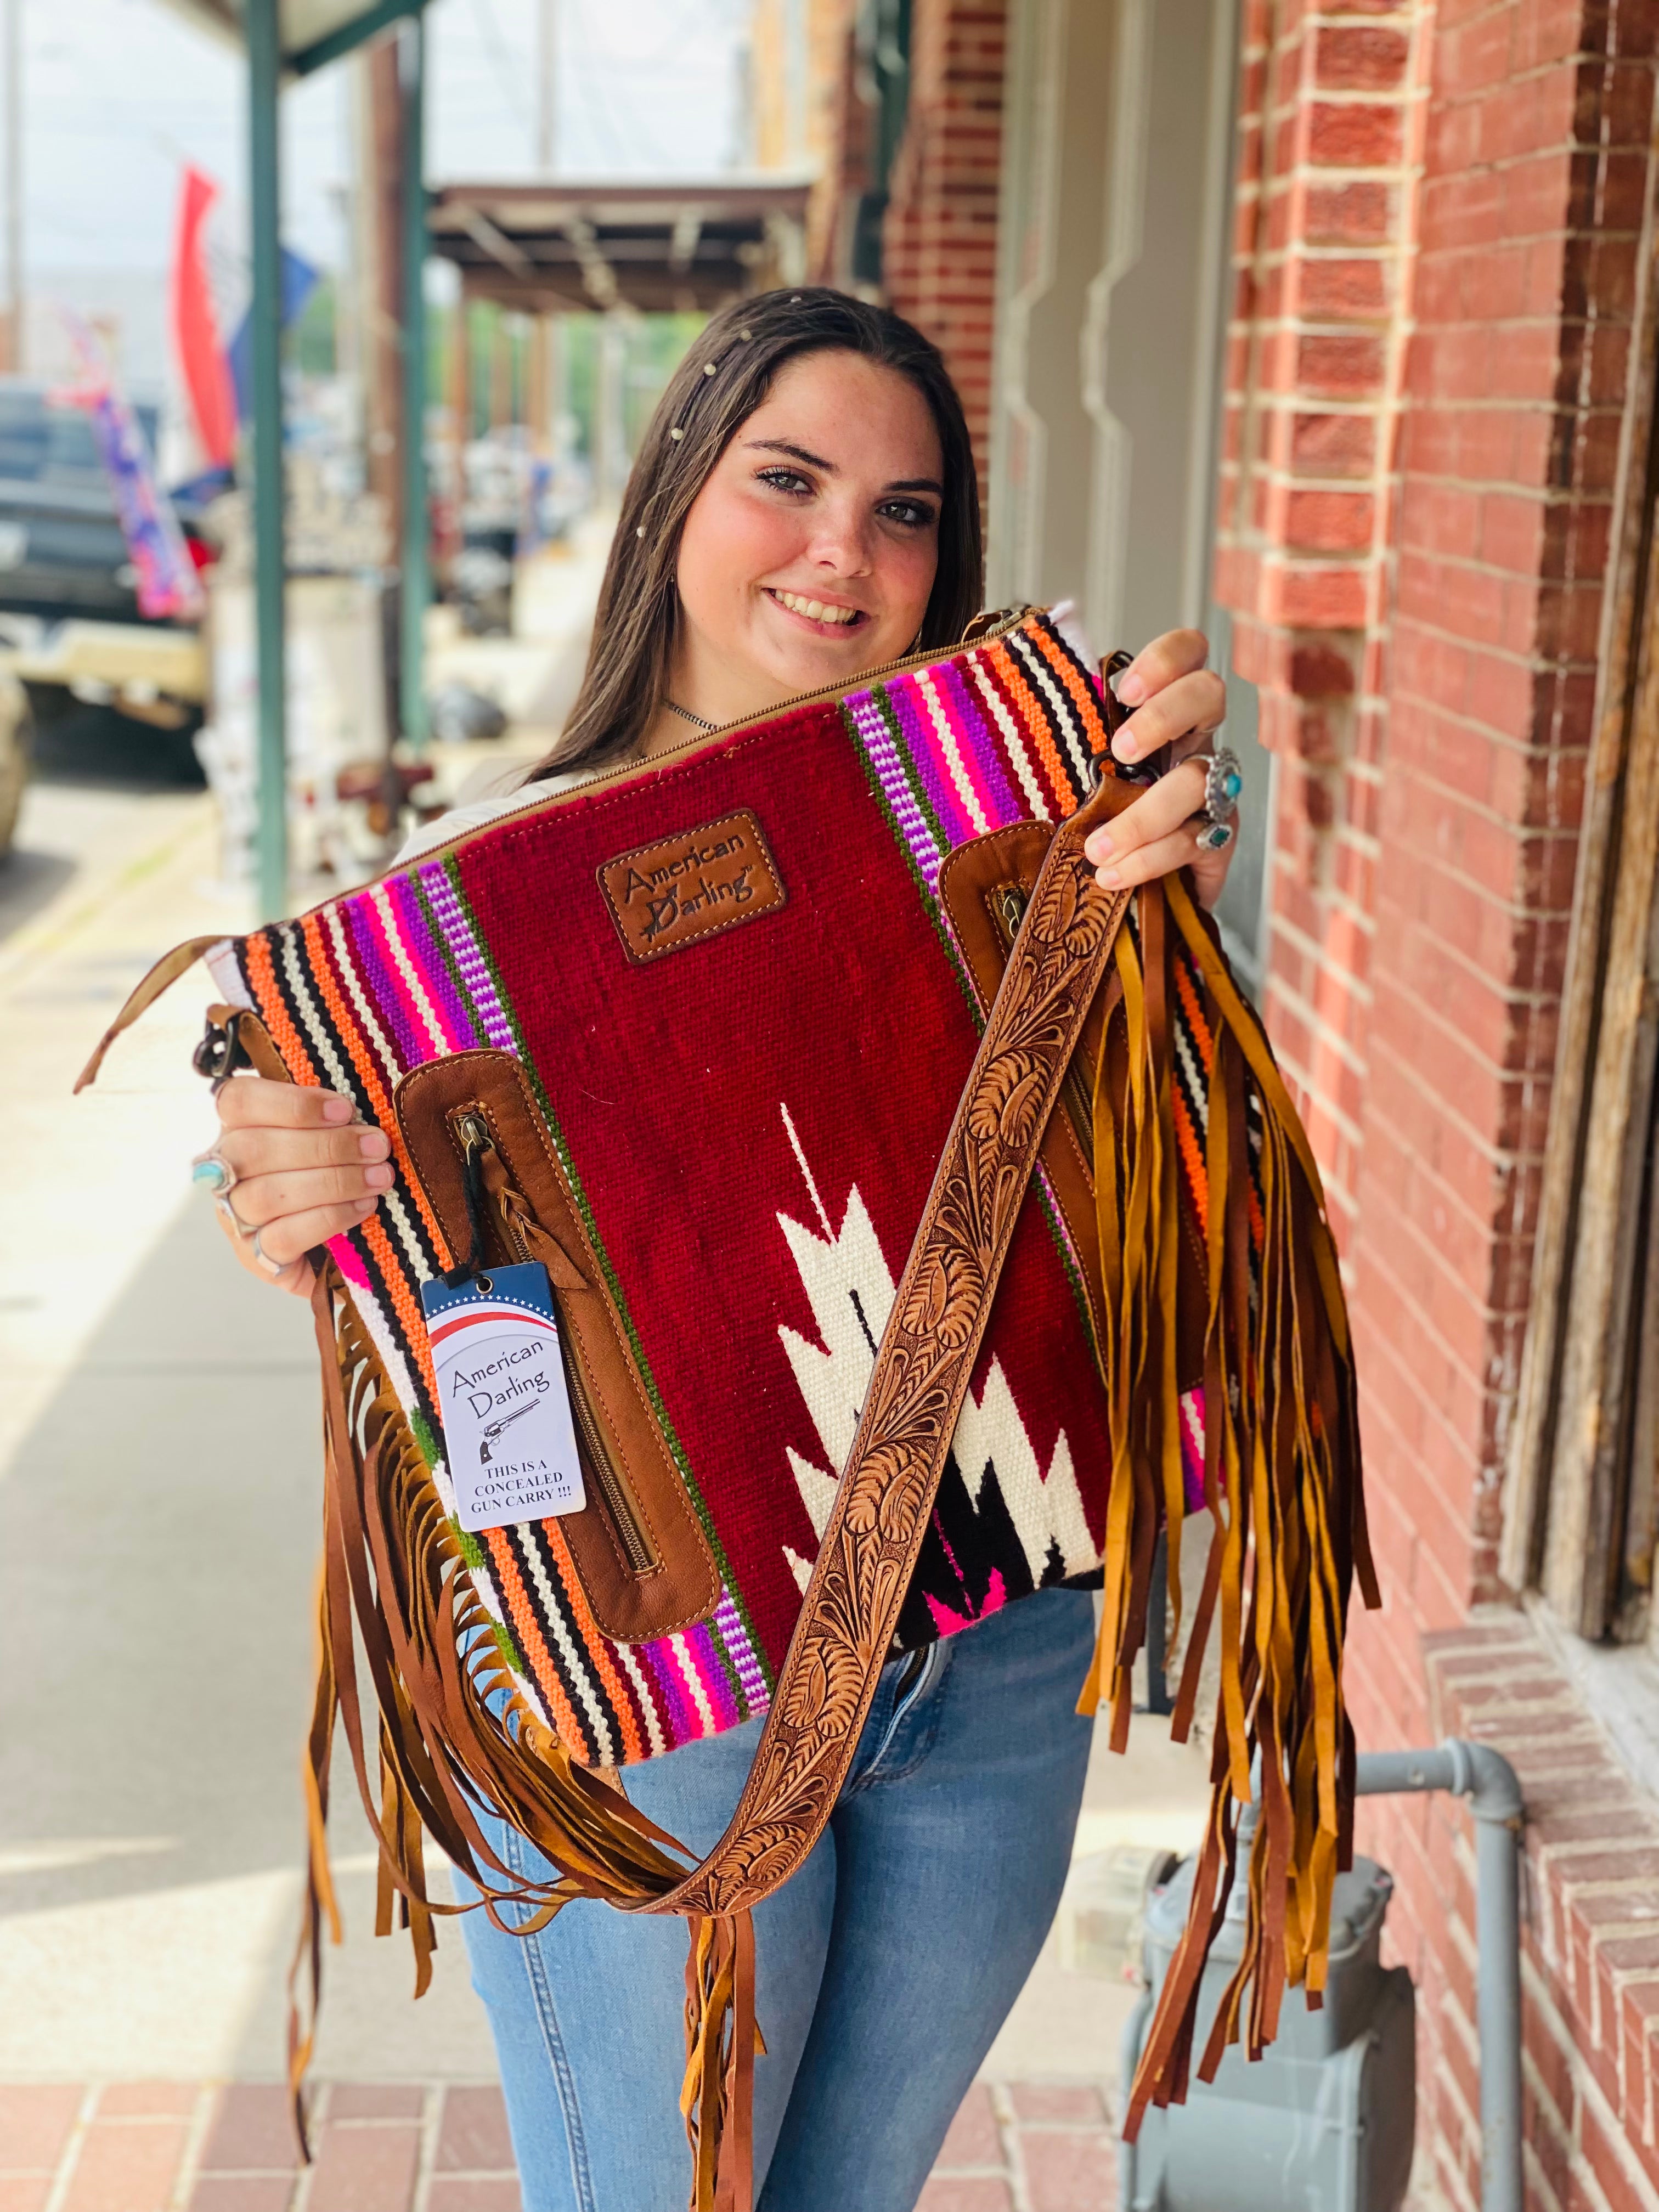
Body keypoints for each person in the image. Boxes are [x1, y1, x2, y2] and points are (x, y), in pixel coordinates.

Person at [204, 290, 1235, 2212]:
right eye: (791, 480)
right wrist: (273, 1182)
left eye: (908, 510)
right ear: (677, 491)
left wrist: (1184, 851)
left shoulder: (1032, 834)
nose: (848, 550)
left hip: (1003, 1637)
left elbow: (1168, 1166)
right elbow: (328, 1192)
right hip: (659, 1679)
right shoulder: (464, 902)